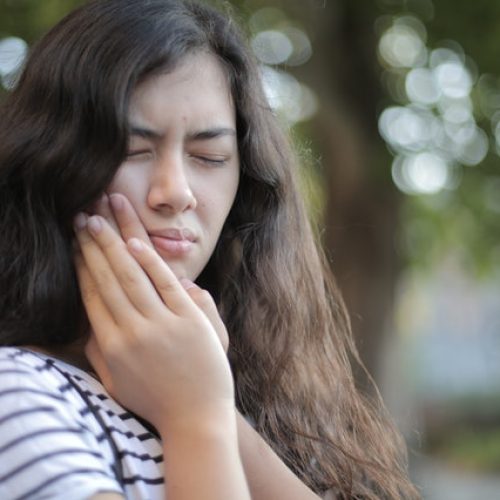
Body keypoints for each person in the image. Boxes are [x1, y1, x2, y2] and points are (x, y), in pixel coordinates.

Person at [0, 0, 419, 498]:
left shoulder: (249, 398)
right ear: (51, 163)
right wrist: (193, 416)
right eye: (133, 150)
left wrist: (209, 401)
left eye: (209, 156)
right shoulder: (18, 394)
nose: (175, 191)